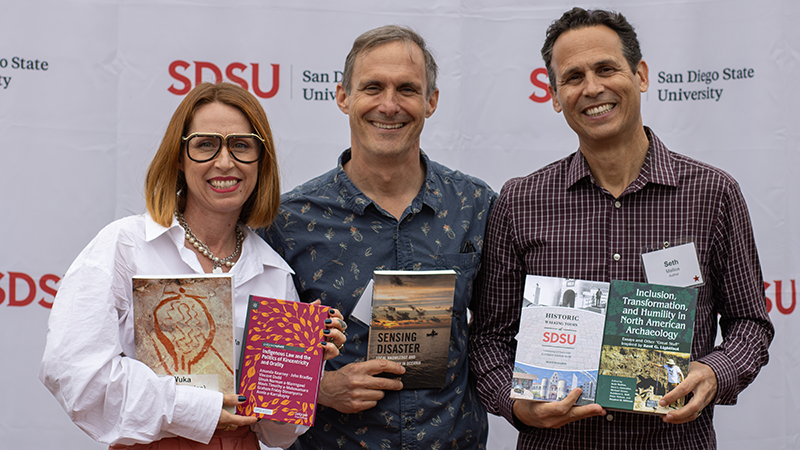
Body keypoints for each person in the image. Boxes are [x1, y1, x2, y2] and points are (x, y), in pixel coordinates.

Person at [468, 7, 774, 450]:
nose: (592, 88)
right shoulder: (520, 201)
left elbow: (750, 323)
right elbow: (489, 339)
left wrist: (714, 372)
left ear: (641, 75)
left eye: (606, 69)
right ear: (554, 95)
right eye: (573, 77)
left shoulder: (713, 193)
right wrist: (515, 404)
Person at [39, 82, 346, 450]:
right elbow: (73, 371)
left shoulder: (273, 272)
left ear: (261, 162)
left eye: (241, 145)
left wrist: (302, 365)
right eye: (205, 145)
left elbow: (278, 434)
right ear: (179, 158)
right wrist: (195, 410)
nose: (225, 162)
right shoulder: (126, 245)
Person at [262, 25, 495, 449]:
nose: (389, 105)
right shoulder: (288, 220)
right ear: (343, 97)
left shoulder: (476, 206)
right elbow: (263, 366)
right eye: (373, 87)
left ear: (431, 102)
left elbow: (497, 336)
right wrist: (322, 389)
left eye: (407, 89)